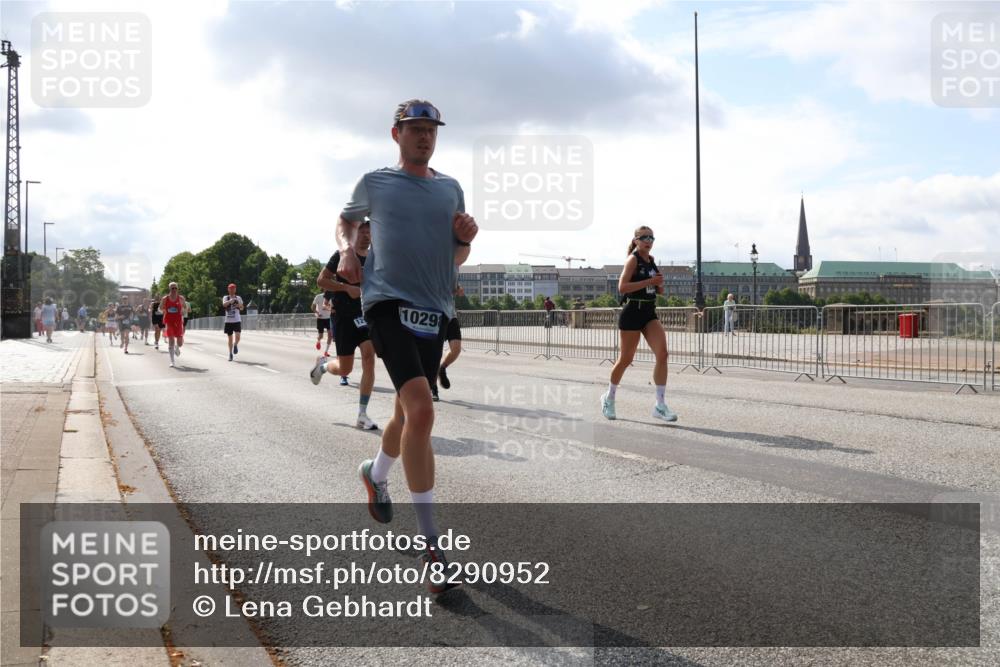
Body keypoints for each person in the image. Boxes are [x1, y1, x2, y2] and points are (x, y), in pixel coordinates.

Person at [334, 99, 476, 593]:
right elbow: (347, 220)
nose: (425, 137)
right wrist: (348, 250)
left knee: (404, 412)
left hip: (434, 310)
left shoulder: (450, 188)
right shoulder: (375, 182)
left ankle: (375, 473)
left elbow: (455, 257)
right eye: (415, 129)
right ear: (396, 134)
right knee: (421, 412)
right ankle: (433, 549)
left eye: (431, 130)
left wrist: (466, 239)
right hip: (386, 303)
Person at [601, 226, 677, 423]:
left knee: (663, 354)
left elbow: (658, 290)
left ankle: (660, 405)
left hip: (649, 312)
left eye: (651, 237)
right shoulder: (633, 259)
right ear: (635, 240)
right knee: (625, 359)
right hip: (633, 311)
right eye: (644, 237)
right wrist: (649, 281)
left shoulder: (651, 261)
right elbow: (622, 287)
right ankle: (609, 398)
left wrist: (659, 284)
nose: (648, 240)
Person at [311, 220, 379, 430]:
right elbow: (321, 280)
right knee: (345, 369)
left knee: (369, 357)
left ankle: (362, 414)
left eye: (370, 232)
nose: (367, 236)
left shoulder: (377, 257)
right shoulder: (341, 255)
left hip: (364, 316)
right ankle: (322, 366)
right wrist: (345, 288)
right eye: (363, 232)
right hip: (342, 316)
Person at [432, 284, 464, 401]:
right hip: (435, 315)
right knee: (435, 354)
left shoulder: (449, 271)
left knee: (456, 349)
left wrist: (458, 289)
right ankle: (433, 388)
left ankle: (442, 367)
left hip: (451, 316)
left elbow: (459, 290)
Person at [160, 283, 187, 367]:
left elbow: (186, 308)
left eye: (175, 288)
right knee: (171, 339)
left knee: (180, 343)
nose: (174, 290)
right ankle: (172, 361)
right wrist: (163, 310)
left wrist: (183, 311)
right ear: (169, 289)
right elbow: (160, 307)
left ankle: (177, 347)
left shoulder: (181, 298)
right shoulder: (165, 298)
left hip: (178, 322)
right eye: (172, 288)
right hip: (169, 321)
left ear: (177, 289)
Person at [222, 283, 244, 361]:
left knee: (238, 336)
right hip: (228, 321)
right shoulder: (226, 297)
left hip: (237, 320)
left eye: (233, 289)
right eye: (230, 289)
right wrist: (230, 301)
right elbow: (224, 305)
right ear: (228, 289)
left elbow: (242, 308)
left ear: (235, 289)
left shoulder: (238, 298)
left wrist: (238, 305)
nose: (232, 290)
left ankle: (235, 345)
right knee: (230, 338)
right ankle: (230, 354)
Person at [311, 291, 334, 357]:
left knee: (330, 335)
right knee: (321, 336)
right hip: (320, 318)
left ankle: (326, 352)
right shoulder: (318, 296)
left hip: (329, 318)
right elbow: (312, 307)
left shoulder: (332, 296)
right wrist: (317, 313)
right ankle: (318, 341)